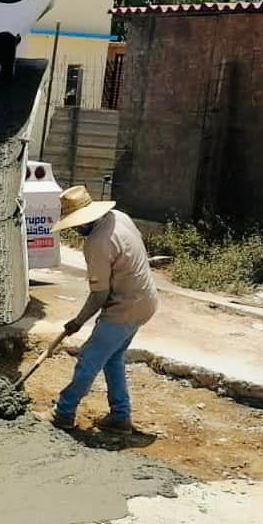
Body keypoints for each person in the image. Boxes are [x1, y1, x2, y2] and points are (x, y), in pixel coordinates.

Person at [49, 185, 159, 434]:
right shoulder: (119, 217)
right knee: (113, 359)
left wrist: (77, 321)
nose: (76, 230)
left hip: (125, 307)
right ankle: (120, 417)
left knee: (89, 358)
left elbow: (100, 294)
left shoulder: (97, 243)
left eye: (76, 224)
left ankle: (63, 413)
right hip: (146, 301)